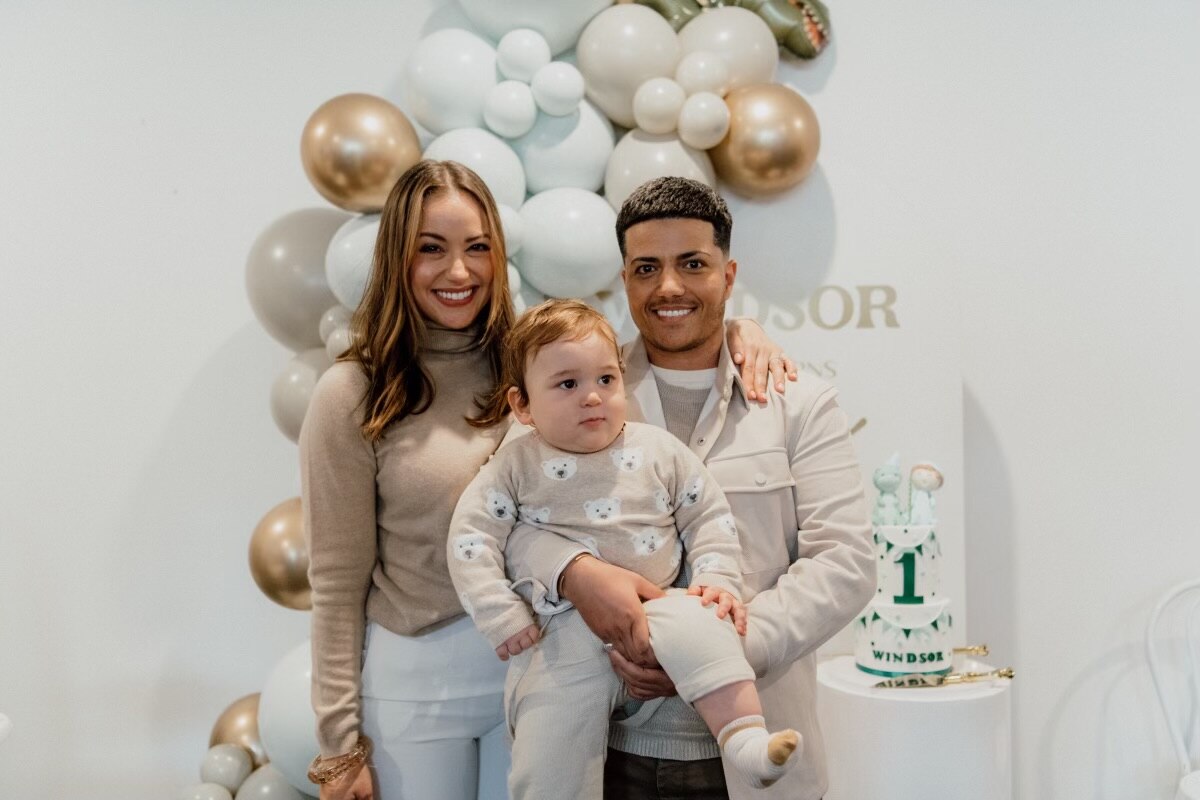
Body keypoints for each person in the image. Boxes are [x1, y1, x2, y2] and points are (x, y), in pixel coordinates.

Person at [300, 161, 798, 800]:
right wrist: (339, 746)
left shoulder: (534, 357)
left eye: (478, 248)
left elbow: (633, 351)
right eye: (432, 249)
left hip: (549, 667)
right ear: (397, 256)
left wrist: (738, 331)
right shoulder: (352, 392)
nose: (459, 271)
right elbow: (336, 581)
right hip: (419, 686)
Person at [504, 176, 876, 800]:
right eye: (647, 267)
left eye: (692, 264)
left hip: (755, 749)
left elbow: (845, 562)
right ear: (625, 280)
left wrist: (710, 656)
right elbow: (502, 519)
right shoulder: (576, 391)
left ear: (728, 276)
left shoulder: (797, 403)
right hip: (606, 751)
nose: (669, 286)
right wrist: (571, 570)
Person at [448, 300, 801, 798]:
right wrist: (499, 613)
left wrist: (717, 582)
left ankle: (744, 740)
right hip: (563, 631)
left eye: (606, 380)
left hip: (659, 606)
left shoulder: (658, 449)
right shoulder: (515, 464)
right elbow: (471, 538)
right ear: (522, 405)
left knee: (707, 629)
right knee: (551, 730)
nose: (592, 397)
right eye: (568, 385)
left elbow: (709, 517)